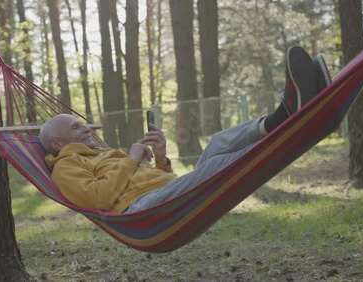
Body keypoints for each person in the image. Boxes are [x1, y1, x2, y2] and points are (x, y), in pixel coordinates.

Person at [39, 46, 332, 213]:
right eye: (77, 128)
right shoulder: (66, 165)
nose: (87, 129)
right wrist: (130, 160)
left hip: (165, 196)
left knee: (217, 142)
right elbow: (99, 198)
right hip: (142, 212)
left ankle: (283, 116)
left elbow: (164, 183)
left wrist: (162, 157)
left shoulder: (102, 154)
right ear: (56, 144)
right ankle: (290, 131)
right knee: (215, 165)